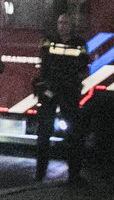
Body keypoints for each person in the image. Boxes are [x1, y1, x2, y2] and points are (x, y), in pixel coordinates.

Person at [34, 12, 89, 183]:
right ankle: (39, 174)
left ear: (72, 25)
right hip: (51, 90)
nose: (62, 25)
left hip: (69, 91)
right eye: (60, 22)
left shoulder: (80, 44)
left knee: (74, 134)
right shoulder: (48, 40)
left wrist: (76, 81)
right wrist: (44, 85)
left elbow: (84, 66)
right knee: (44, 132)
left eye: (65, 23)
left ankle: (74, 176)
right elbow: (44, 64)